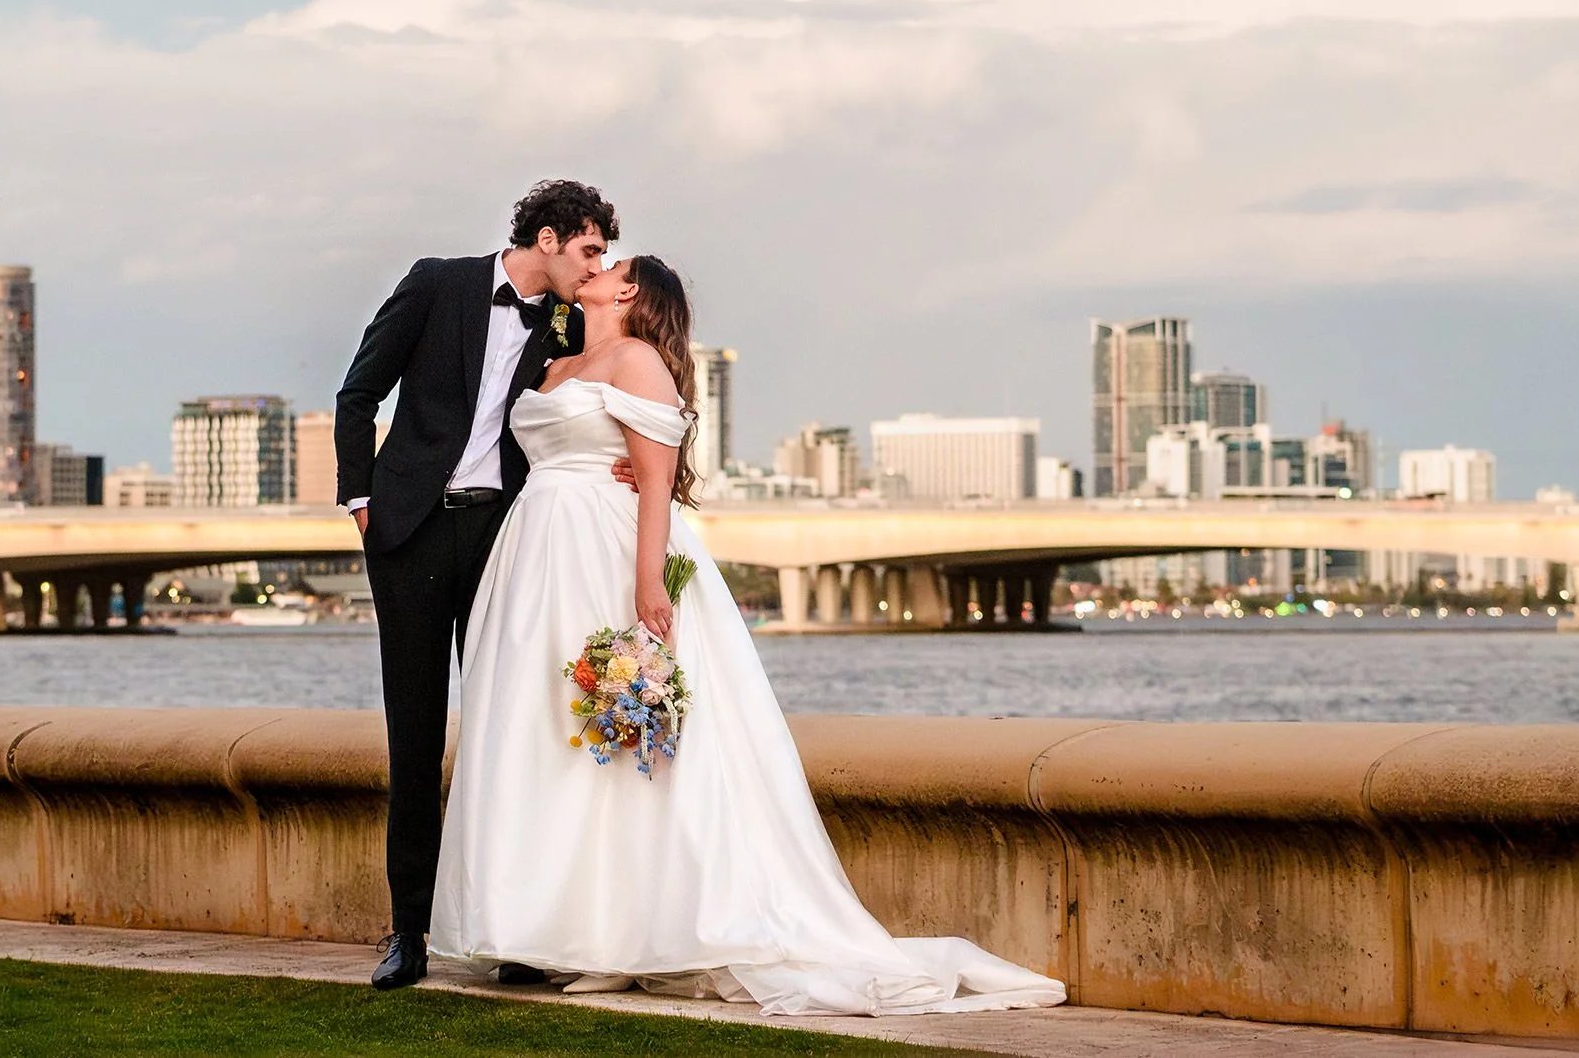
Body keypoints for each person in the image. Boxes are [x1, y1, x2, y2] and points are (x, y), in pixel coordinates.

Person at [429, 253, 1068, 1016]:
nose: (594, 264)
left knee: (630, 745)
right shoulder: (558, 360)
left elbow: (656, 479)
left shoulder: (635, 359)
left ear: (628, 291)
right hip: (534, 559)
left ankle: (628, 936)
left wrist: (644, 586)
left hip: (603, 553)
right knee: (547, 737)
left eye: (611, 261)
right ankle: (570, 928)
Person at [334, 178, 617, 990]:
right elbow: (358, 391)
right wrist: (363, 502)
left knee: (511, 738)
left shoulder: (568, 322)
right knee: (414, 738)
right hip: (412, 534)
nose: (599, 263)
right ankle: (409, 935)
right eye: (591, 247)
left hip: (507, 539)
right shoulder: (436, 282)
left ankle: (515, 933)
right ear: (552, 237)